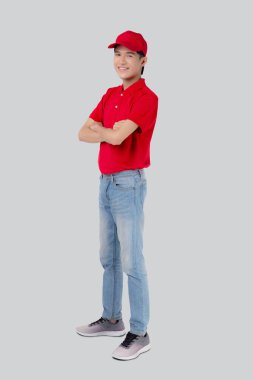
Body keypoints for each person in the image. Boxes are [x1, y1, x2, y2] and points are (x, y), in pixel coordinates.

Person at [76, 30, 159, 361]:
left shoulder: (146, 98)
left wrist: (105, 132)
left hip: (129, 184)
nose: (122, 61)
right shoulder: (110, 93)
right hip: (106, 183)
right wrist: (105, 132)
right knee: (107, 256)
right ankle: (112, 318)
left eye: (129, 55)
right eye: (117, 54)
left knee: (131, 260)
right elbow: (83, 132)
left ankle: (139, 332)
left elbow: (117, 137)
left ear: (143, 61)